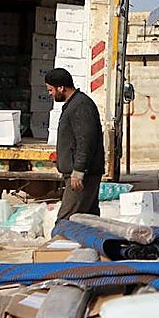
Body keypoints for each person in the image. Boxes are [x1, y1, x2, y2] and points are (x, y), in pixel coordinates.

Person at [45, 68, 105, 222]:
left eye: (50, 89)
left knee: (65, 222)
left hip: (82, 176)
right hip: (82, 173)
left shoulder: (81, 106)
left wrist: (78, 170)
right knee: (88, 221)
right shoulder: (74, 104)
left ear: (61, 88)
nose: (50, 94)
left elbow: (85, 141)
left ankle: (61, 245)